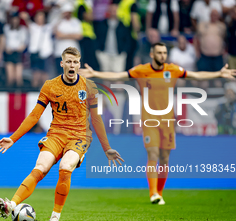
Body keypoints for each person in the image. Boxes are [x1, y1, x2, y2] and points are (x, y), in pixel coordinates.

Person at [79, 42, 236, 205]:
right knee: (153, 154)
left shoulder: (173, 70)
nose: (163, 55)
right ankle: (153, 193)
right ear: (153, 54)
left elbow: (196, 75)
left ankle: (159, 193)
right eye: (159, 53)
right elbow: (119, 75)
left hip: (168, 121)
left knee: (165, 159)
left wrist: (219, 73)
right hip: (150, 120)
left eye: (165, 53)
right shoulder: (142, 70)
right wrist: (95, 72)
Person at [0, 47, 123, 221]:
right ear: (62, 64)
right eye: (68, 61)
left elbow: (96, 118)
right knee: (41, 167)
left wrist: (106, 147)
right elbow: (34, 115)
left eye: (75, 62)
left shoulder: (89, 86)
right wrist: (13, 138)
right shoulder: (50, 85)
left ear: (79, 64)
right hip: (56, 134)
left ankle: (55, 216)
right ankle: (11, 204)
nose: (72, 65)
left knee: (65, 166)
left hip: (79, 136)